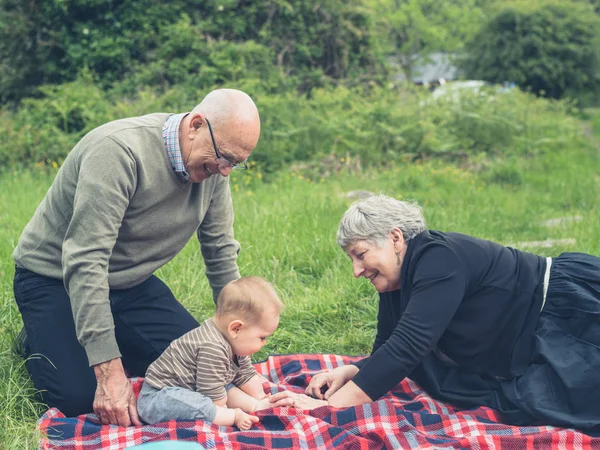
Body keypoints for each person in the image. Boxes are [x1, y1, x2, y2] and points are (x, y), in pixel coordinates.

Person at [12, 88, 261, 426]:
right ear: (196, 125)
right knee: (81, 400)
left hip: (129, 284)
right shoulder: (118, 152)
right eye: (224, 158)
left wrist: (238, 341)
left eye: (235, 164)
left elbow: (220, 252)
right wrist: (109, 371)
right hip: (55, 279)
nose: (226, 170)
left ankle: (109, 334)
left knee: (201, 367)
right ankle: (39, 336)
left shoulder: (213, 170)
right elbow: (86, 261)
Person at [270, 194, 600, 430]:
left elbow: (409, 346)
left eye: (361, 255)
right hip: (525, 334)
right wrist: (350, 371)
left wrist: (329, 408)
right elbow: (391, 344)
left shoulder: (438, 259)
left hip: (566, 309)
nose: (357, 270)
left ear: (395, 238)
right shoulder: (397, 278)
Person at [137, 276, 284, 429]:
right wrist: (226, 413)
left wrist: (260, 397)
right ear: (236, 329)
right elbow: (213, 397)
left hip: (193, 387)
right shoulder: (212, 347)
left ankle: (256, 406)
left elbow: (245, 374)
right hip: (160, 397)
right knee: (203, 404)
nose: (264, 342)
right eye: (262, 337)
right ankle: (233, 417)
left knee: (225, 385)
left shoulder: (234, 343)